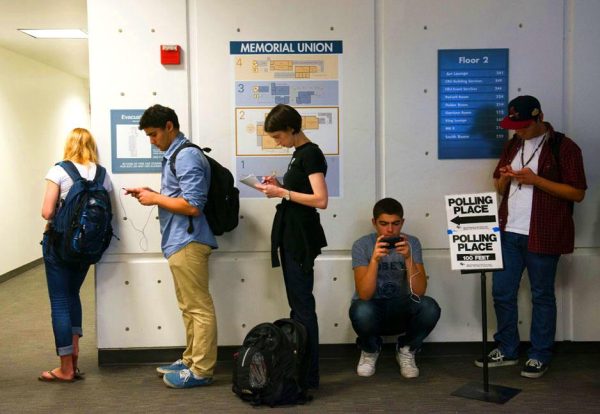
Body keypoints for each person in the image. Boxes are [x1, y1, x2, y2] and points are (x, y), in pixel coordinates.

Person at [476, 95, 587, 378]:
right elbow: (500, 189)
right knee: (502, 292)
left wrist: (536, 180)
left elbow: (577, 193)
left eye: (524, 125)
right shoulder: (513, 144)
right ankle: (508, 347)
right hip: (508, 231)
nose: (518, 131)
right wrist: (504, 177)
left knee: (542, 295)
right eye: (514, 125)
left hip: (543, 233)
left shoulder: (564, 146)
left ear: (540, 118)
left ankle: (539, 354)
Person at [125, 104, 218, 389]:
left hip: (189, 241)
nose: (152, 141)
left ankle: (201, 369)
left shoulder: (186, 155)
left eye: (154, 134)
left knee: (198, 307)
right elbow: (179, 197)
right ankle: (191, 359)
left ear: (169, 126)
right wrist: (154, 194)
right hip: (179, 241)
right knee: (188, 306)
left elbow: (193, 205)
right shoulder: (175, 155)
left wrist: (155, 199)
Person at [256, 104, 328, 389]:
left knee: (303, 306)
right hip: (291, 234)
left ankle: (308, 374)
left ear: (292, 129)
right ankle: (300, 368)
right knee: (297, 306)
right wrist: (281, 183)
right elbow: (305, 190)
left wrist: (281, 192)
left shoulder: (311, 154)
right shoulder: (298, 155)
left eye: (278, 136)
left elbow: (320, 199)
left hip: (300, 237)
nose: (277, 142)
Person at [39, 128, 113, 382]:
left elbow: (47, 212)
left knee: (59, 301)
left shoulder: (59, 170)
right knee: (73, 295)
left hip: (59, 247)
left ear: (69, 145)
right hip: (87, 248)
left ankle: (65, 367)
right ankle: (75, 358)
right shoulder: (103, 175)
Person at [349, 197, 441, 378]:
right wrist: (375, 260)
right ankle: (370, 349)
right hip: (372, 308)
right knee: (360, 309)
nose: (390, 229)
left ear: (402, 222)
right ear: (374, 223)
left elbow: (419, 292)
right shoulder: (362, 245)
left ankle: (407, 348)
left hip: (401, 307)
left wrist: (408, 258)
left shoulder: (412, 243)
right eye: (383, 224)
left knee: (430, 307)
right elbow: (365, 294)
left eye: (395, 224)